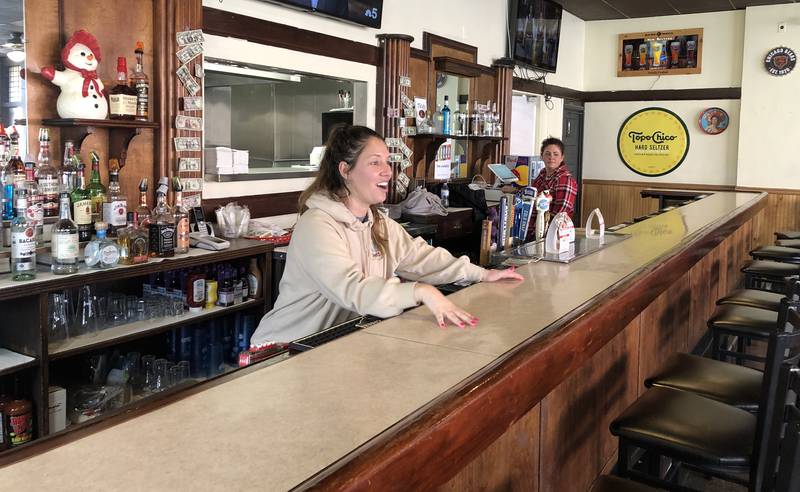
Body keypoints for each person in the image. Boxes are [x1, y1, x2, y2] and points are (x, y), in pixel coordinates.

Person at [251, 125, 523, 345]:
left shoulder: (376, 222)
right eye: (374, 162)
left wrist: (483, 274)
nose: (387, 171)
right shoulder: (317, 226)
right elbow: (353, 289)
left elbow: (422, 258)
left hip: (331, 346)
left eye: (388, 161)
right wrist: (420, 291)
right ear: (345, 170)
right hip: (283, 350)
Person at [526, 137, 578, 240]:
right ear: (542, 156)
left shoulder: (565, 179)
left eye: (556, 154)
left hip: (551, 237)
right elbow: (530, 197)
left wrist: (539, 237)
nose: (551, 157)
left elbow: (560, 216)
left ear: (562, 157)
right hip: (532, 233)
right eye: (547, 154)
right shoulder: (542, 175)